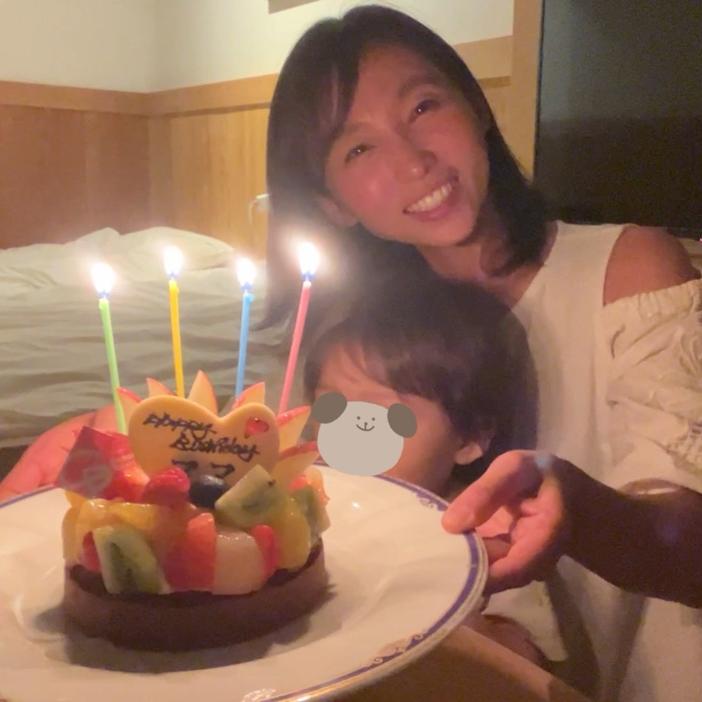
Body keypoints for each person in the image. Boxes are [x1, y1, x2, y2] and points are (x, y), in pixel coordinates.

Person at [263, 5, 702, 701]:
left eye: (424, 106)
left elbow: (691, 547)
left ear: (477, 107)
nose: (414, 160)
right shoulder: (355, 336)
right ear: (333, 204)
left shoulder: (628, 268)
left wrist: (578, 510)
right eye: (359, 149)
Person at [303, 273, 568, 666]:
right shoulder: (303, 504)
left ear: (469, 439)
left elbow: (525, 664)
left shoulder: (486, 533)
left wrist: (437, 605)